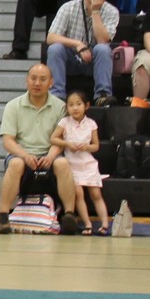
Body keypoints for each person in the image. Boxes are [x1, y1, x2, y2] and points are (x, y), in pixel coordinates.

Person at [0, 63, 65, 233]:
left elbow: (60, 140)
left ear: (51, 82)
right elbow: (8, 141)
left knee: (63, 164)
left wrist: (50, 156)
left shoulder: (60, 107)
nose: (37, 83)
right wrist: (25, 155)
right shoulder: (13, 105)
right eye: (33, 78)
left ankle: (69, 215)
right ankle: (3, 216)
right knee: (16, 164)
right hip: (21, 154)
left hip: (49, 154)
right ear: (26, 81)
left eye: (43, 79)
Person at [44, 0, 119, 106]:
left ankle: (102, 96)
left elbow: (102, 40)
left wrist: (95, 12)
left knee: (103, 49)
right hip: (71, 58)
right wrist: (78, 44)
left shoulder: (111, 11)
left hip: (95, 61)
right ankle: (56, 96)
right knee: (55, 48)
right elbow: (51, 37)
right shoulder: (68, 7)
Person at [50, 90, 111, 235]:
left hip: (87, 162)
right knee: (78, 194)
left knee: (95, 194)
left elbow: (96, 146)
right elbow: (53, 138)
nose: (75, 108)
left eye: (78, 104)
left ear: (87, 106)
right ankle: (87, 224)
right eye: (71, 105)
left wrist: (86, 147)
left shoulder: (91, 124)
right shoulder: (64, 122)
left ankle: (105, 224)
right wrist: (67, 144)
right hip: (71, 163)